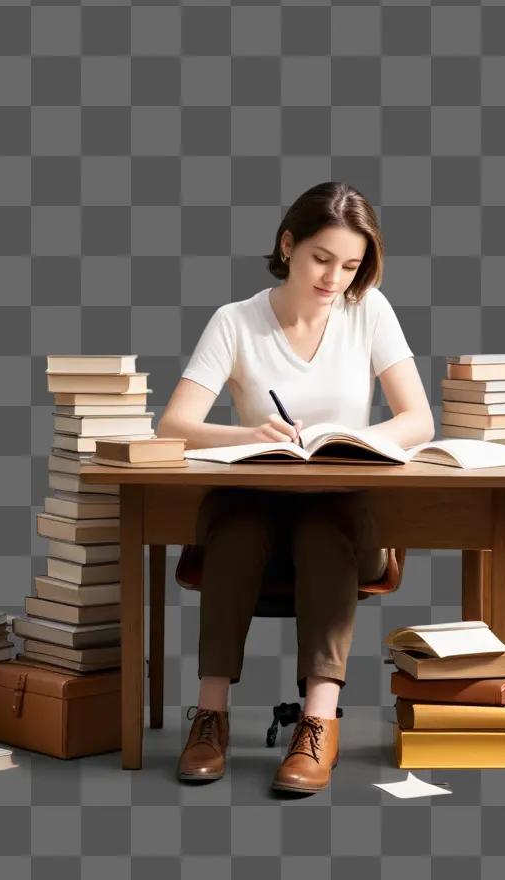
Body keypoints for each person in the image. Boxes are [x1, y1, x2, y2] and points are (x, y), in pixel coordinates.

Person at [157, 181, 434, 794]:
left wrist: (340, 432)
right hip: (254, 514)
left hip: (340, 520)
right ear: (288, 245)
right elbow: (172, 424)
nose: (335, 278)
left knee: (324, 526)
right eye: (321, 259)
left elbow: (419, 419)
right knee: (234, 522)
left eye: (352, 265)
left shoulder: (370, 311)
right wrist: (247, 433)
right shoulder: (236, 322)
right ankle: (210, 716)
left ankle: (317, 723)